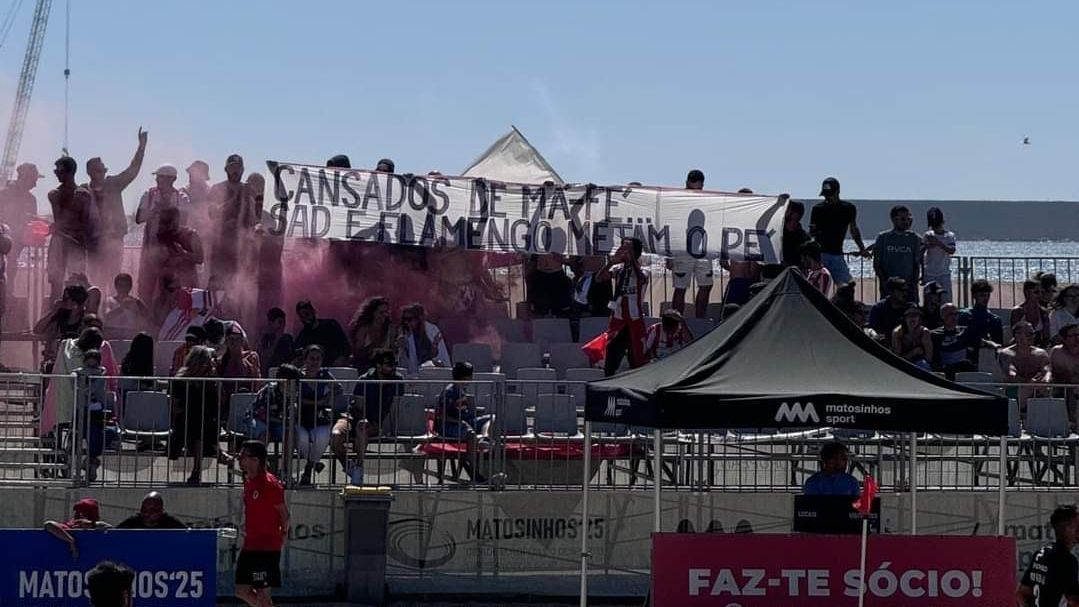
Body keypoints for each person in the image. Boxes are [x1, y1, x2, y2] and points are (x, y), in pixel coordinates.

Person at [84, 128, 148, 286]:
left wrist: (141, 147)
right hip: (93, 243)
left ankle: (110, 306)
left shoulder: (113, 184)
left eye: (102, 170)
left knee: (113, 279)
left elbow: (132, 171)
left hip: (114, 240)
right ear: (89, 172)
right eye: (97, 170)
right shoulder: (84, 191)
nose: (101, 173)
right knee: (94, 281)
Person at [332, 349, 404, 485]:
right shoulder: (365, 379)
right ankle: (349, 467)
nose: (392, 367)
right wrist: (360, 417)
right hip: (352, 416)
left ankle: (358, 468)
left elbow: (396, 407)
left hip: (375, 422)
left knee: (362, 427)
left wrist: (389, 428)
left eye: (394, 363)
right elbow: (356, 406)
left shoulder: (398, 380)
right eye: (389, 364)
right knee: (336, 435)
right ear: (378, 365)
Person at [235, 440, 289, 607]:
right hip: (250, 544)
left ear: (255, 460)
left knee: (263, 594)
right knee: (241, 590)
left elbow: (284, 515)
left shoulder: (270, 484)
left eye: (243, 455)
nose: (239, 458)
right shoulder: (249, 481)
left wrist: (283, 536)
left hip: (266, 547)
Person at [170, 345, 230, 484]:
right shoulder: (181, 380)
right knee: (198, 420)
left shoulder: (211, 381)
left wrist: (217, 383)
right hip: (184, 420)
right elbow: (176, 405)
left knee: (202, 421)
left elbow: (218, 405)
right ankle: (218, 452)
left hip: (206, 421)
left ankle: (198, 470)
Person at [134, 164, 192, 301]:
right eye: (158, 178)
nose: (158, 181)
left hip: (172, 252)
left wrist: (167, 209)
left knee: (169, 289)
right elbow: (138, 218)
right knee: (145, 288)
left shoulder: (181, 197)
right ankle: (144, 318)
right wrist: (154, 211)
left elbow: (183, 221)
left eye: (161, 178)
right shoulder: (149, 194)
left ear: (172, 179)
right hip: (150, 249)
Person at [596, 237, 649, 376]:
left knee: (637, 359)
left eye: (628, 249)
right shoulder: (618, 270)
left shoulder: (643, 271)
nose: (624, 251)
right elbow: (599, 278)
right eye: (623, 248)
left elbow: (642, 279)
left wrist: (632, 260)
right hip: (618, 323)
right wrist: (611, 262)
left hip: (635, 321)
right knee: (611, 359)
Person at [47, 157, 98, 300]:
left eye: (59, 171)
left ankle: (76, 316)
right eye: (56, 170)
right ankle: (56, 317)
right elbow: (59, 221)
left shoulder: (83, 195)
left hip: (76, 243)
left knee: (76, 283)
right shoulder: (55, 194)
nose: (56, 173)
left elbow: (85, 224)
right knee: (56, 284)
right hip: (59, 243)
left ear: (70, 172)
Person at [435, 361, 492, 483]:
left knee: (491, 418)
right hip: (449, 425)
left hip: (465, 420)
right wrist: (460, 422)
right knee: (470, 434)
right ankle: (473, 469)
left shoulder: (462, 390)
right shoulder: (449, 392)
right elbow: (442, 416)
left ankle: (485, 437)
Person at [668, 169, 713, 317]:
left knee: (706, 285)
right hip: (682, 249)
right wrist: (668, 255)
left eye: (699, 188)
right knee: (681, 287)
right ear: (687, 183)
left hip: (703, 248)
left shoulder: (709, 201)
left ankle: (700, 319)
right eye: (692, 187)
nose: (695, 191)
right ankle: (676, 321)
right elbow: (670, 226)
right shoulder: (678, 201)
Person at [808, 177, 868, 286]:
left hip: (837, 254)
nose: (827, 197)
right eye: (826, 195)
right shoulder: (818, 209)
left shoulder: (848, 208)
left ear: (837, 192)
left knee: (847, 286)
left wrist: (862, 248)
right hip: (820, 254)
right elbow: (812, 231)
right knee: (818, 286)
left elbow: (853, 230)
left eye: (830, 194)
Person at [1016, 505, 1079, 607]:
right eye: (1076, 526)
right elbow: (1074, 602)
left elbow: (1021, 593)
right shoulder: (1067, 560)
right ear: (1065, 528)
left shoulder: (1040, 554)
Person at [209, 154, 255, 289]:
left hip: (242, 246)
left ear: (243, 170)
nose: (235, 171)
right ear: (226, 169)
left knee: (240, 285)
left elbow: (254, 217)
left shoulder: (249, 190)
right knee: (218, 284)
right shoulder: (217, 189)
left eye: (238, 168)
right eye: (232, 167)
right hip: (221, 246)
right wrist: (235, 198)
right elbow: (213, 213)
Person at [295, 345, 340, 485]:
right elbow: (295, 397)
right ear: (305, 360)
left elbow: (339, 388)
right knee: (302, 438)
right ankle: (314, 463)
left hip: (319, 418)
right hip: (300, 418)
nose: (315, 362)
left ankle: (309, 468)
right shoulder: (298, 376)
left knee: (322, 436)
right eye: (311, 358)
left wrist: (327, 398)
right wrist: (317, 402)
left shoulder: (324, 375)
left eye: (318, 359)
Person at [0, 162, 43, 286]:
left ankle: (7, 296)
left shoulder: (31, 200)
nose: (35, 184)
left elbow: (32, 223)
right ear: (25, 178)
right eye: (33, 180)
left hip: (18, 244)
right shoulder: (4, 195)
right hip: (3, 241)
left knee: (10, 271)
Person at [1000, 321, 1052, 417]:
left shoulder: (1041, 353)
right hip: (1014, 389)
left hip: (1037, 388)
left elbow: (1047, 370)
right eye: (1028, 334)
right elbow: (1011, 374)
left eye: (1032, 334)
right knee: (1026, 389)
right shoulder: (1007, 353)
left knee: (1048, 390)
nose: (1032, 337)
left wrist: (1045, 381)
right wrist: (1030, 383)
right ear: (1017, 335)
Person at [248, 364, 300, 460]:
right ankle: (259, 465)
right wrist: (281, 421)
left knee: (290, 434)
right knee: (265, 434)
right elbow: (261, 414)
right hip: (257, 419)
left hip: (276, 423)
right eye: (290, 381)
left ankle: (285, 469)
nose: (293, 385)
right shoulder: (269, 390)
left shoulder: (292, 393)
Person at [872, 204, 921, 303]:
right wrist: (883, 281)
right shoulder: (883, 237)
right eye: (903, 219)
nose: (906, 222)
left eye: (909, 219)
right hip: (889, 285)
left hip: (908, 286)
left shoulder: (915, 238)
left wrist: (913, 283)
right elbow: (877, 262)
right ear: (894, 220)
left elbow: (916, 263)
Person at [75, 348, 109, 481]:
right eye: (89, 364)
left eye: (94, 364)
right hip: (81, 410)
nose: (91, 367)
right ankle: (91, 461)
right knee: (87, 431)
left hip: (96, 411)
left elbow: (98, 389)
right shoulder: (78, 373)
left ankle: (91, 460)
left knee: (100, 433)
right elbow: (79, 388)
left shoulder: (101, 373)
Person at [154, 206, 204, 294]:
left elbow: (200, 258)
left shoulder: (191, 235)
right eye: (164, 222)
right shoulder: (161, 237)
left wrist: (184, 254)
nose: (166, 225)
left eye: (168, 221)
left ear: (176, 220)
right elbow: (155, 263)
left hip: (188, 285)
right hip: (167, 287)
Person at [930, 303, 987, 379]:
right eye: (951, 314)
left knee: (967, 364)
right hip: (945, 369)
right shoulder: (934, 334)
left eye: (956, 314)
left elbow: (980, 341)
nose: (954, 317)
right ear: (942, 316)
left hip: (963, 368)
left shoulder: (965, 331)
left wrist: (994, 345)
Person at [43, 498, 111, 560]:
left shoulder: (93, 523)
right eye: (78, 511)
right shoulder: (69, 526)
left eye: (84, 512)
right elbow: (49, 525)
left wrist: (92, 525)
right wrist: (71, 541)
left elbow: (110, 528)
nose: (80, 514)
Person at [397, 303, 450, 375]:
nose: (406, 322)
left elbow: (438, 354)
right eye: (404, 319)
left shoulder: (432, 330)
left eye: (409, 319)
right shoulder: (405, 333)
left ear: (418, 319)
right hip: (414, 374)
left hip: (434, 370)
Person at [293, 300, 351, 366]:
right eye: (302, 317)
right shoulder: (302, 335)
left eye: (307, 314)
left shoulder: (331, 325)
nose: (305, 319)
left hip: (334, 368)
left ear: (314, 312)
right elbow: (297, 353)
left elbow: (346, 348)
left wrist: (341, 359)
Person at [348, 296, 395, 373]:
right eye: (381, 312)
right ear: (373, 312)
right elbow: (357, 353)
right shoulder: (363, 329)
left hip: (385, 367)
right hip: (364, 366)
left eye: (386, 312)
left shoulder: (390, 328)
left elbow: (393, 350)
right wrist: (372, 350)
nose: (384, 315)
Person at [921, 207, 956, 303]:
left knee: (946, 300)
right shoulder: (927, 235)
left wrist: (938, 243)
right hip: (929, 273)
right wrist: (927, 246)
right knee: (929, 300)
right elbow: (921, 252)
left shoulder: (949, 235)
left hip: (944, 273)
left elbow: (951, 250)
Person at [103, 273, 151, 339]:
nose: (123, 288)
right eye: (120, 286)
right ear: (116, 286)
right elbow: (107, 316)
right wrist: (121, 308)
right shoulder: (109, 300)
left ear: (130, 287)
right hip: (112, 333)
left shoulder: (136, 301)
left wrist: (137, 310)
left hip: (131, 334)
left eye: (126, 286)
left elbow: (147, 316)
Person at [526, 253, 574, 317]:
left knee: (560, 307)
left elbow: (573, 260)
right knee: (540, 307)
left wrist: (563, 259)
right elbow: (533, 259)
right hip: (541, 274)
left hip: (557, 275)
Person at [959, 279, 1004, 346]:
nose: (985, 298)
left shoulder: (994, 320)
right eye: (982, 295)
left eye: (987, 295)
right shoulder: (965, 315)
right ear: (974, 296)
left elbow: (998, 344)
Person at [1051, 324, 1079, 429]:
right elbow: (1055, 373)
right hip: (1061, 391)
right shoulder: (1057, 352)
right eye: (1073, 335)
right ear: (1064, 339)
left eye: (1078, 335)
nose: (1077, 338)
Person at [868, 278, 910, 344]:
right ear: (891, 292)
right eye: (901, 290)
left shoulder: (909, 308)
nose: (905, 293)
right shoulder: (879, 308)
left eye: (906, 290)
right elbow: (871, 328)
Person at [1011, 279, 1052, 348]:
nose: (1040, 295)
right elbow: (1015, 333)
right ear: (1027, 292)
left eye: (1042, 292)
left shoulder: (1043, 312)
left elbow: (1046, 336)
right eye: (1036, 292)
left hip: (1039, 347)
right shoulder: (1018, 311)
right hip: (1020, 346)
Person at [257, 307, 295, 377]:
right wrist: (277, 339)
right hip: (269, 373)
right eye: (279, 322)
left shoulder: (288, 338)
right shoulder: (266, 338)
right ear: (271, 323)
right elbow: (264, 358)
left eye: (284, 322)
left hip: (285, 373)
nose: (282, 325)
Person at [116, 491, 186, 529]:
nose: (147, 513)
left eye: (152, 510)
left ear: (161, 511)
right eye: (144, 509)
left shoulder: (171, 523)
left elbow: (189, 534)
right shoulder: (131, 523)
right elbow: (113, 534)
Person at [781, 199, 809, 268]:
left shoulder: (803, 237)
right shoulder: (777, 234)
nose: (793, 223)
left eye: (796, 220)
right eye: (790, 220)